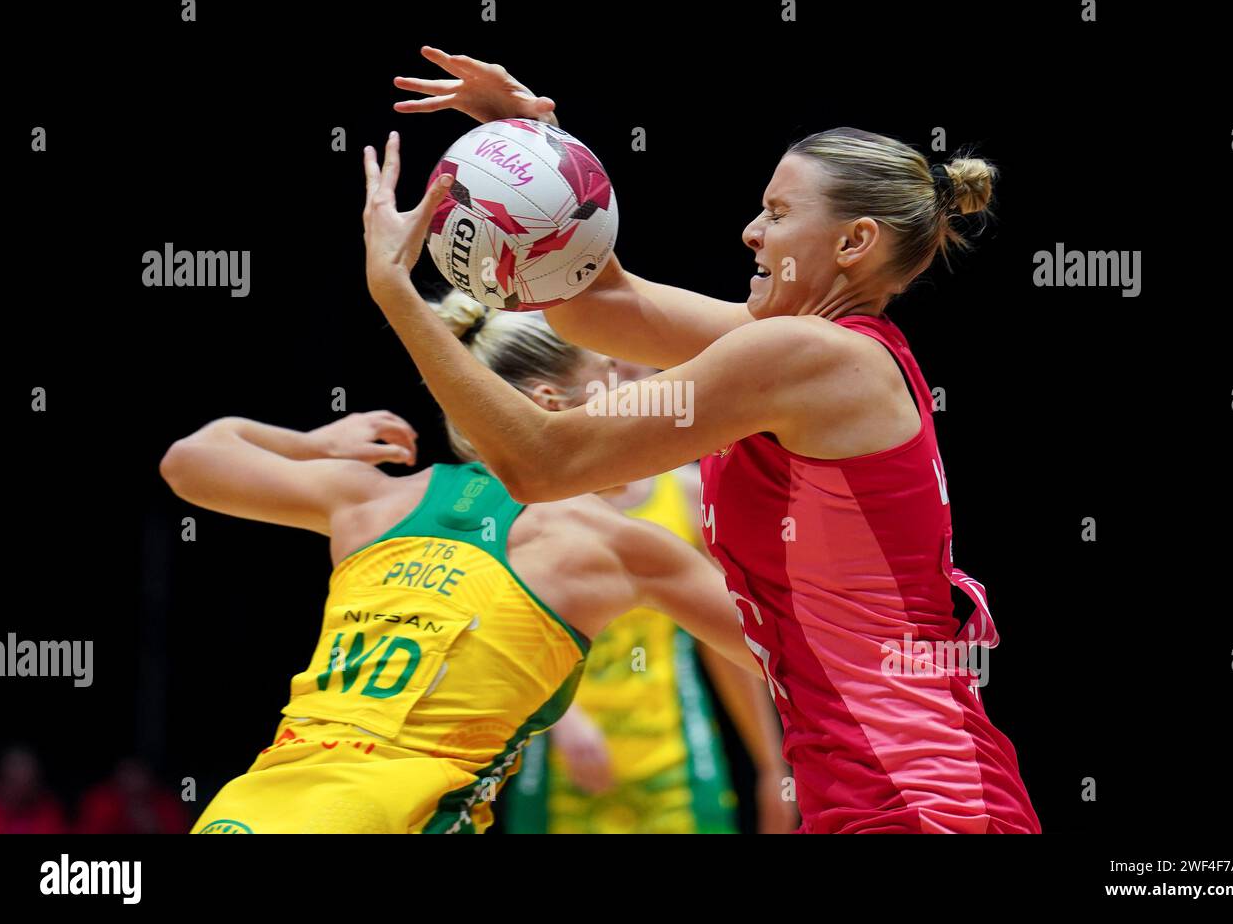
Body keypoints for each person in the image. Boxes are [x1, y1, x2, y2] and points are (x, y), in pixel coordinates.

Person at [361, 46, 1042, 833]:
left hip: (918, 799)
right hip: (889, 789)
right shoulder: (811, 350)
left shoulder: (804, 356)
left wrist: (396, 294)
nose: (752, 232)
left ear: (853, 243)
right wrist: (531, 139)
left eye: (779, 214)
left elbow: (542, 462)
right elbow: (602, 304)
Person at [160, 298, 759, 834]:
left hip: (252, 807)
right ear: (548, 405)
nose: (642, 408)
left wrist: (313, 444)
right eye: (618, 387)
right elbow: (790, 650)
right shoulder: (608, 542)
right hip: (385, 817)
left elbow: (190, 460)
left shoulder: (371, 498)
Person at [504, 414, 795, 834]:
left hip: (675, 759)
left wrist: (771, 763)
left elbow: (727, 643)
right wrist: (561, 718)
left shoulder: (687, 491)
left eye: (640, 378)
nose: (628, 391)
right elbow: (496, 620)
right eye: (614, 374)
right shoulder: (531, 493)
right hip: (558, 758)